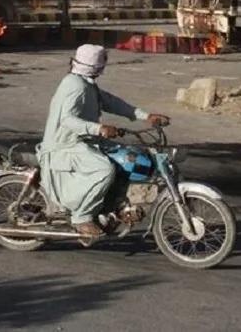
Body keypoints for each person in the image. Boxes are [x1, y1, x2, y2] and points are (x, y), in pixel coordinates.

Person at [36, 44, 170, 238]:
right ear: (96, 66)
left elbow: (111, 102)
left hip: (85, 141)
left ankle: (110, 206)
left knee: (125, 157)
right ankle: (81, 217)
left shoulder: (86, 84)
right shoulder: (75, 86)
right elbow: (66, 120)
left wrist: (145, 115)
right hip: (64, 145)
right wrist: (98, 128)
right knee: (104, 169)